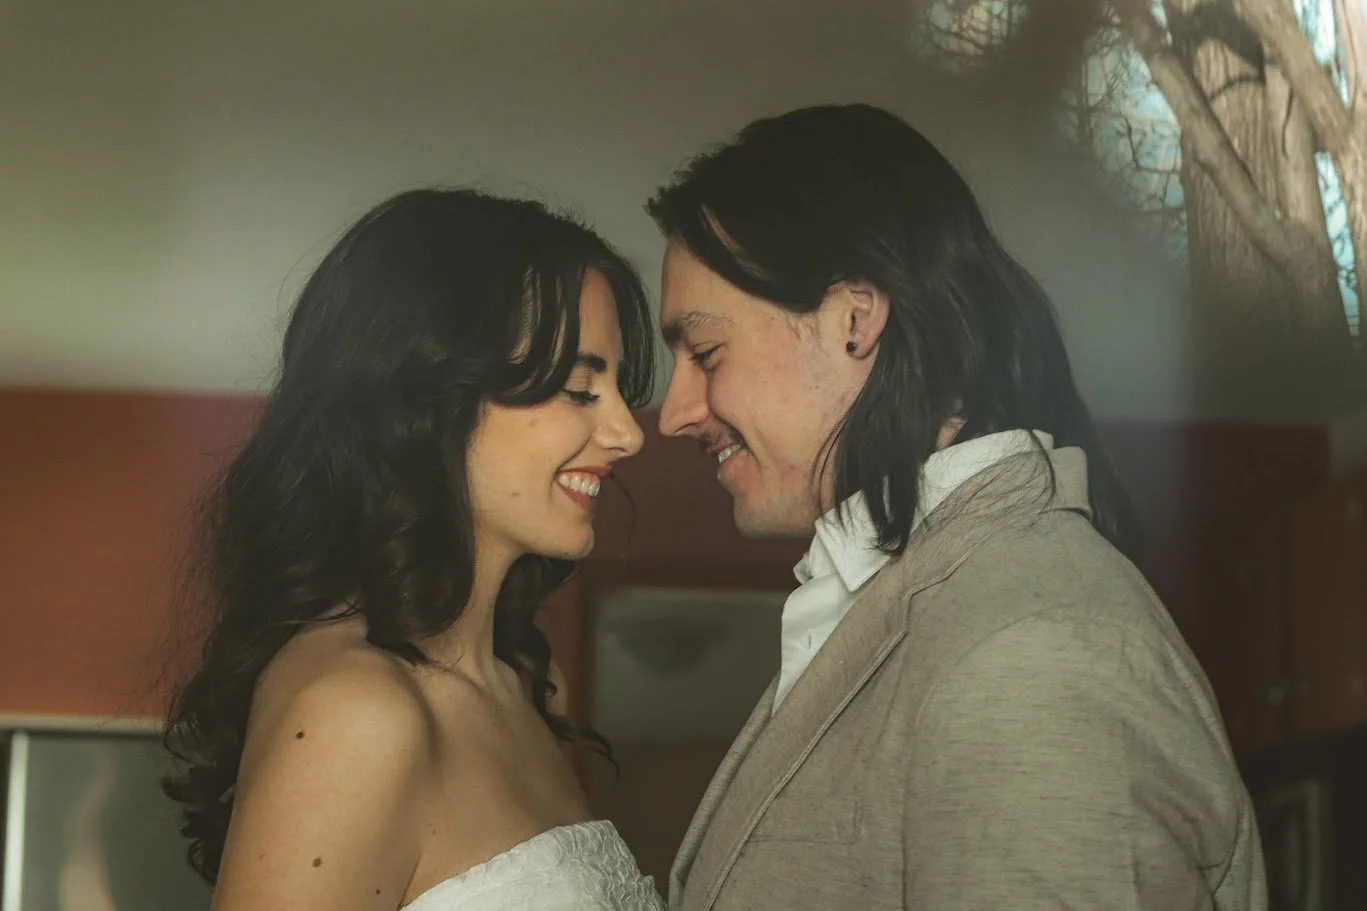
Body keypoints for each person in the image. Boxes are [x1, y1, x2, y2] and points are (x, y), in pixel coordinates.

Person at [649, 104, 1268, 910]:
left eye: (704, 352)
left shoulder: (1032, 649)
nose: (671, 413)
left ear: (853, 319)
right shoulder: (933, 602)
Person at [162, 188, 666, 910]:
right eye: (579, 387)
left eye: (619, 388)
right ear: (427, 400)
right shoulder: (359, 707)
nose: (627, 432)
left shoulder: (520, 683)